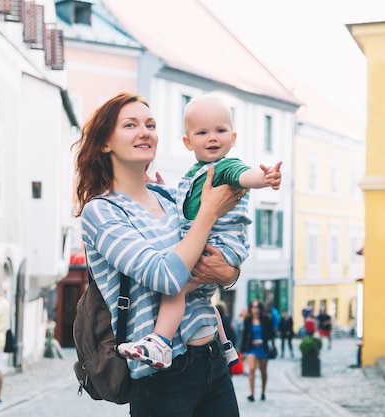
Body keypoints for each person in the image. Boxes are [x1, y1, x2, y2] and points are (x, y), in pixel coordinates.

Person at [74, 92, 242, 416]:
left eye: (150, 124)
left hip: (212, 358)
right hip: (161, 373)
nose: (145, 131)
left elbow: (214, 265)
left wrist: (229, 273)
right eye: (130, 125)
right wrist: (207, 213)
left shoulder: (169, 196)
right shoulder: (101, 212)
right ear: (105, 143)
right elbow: (165, 276)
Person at [118, 93, 282, 369]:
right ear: (188, 141)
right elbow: (187, 203)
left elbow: (244, 176)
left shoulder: (225, 167)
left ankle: (160, 342)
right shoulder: (195, 172)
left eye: (220, 130)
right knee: (203, 296)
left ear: (233, 137)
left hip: (220, 244)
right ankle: (226, 345)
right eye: (202, 132)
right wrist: (162, 187)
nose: (212, 138)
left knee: (177, 286)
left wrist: (264, 178)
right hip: (213, 243)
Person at [240, 299, 275, 402]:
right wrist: (242, 350)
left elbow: (271, 333)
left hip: (263, 347)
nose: (255, 309)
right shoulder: (248, 320)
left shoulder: (266, 319)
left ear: (260, 308)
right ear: (251, 308)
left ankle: (263, 392)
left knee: (263, 371)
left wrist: (262, 340)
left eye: (257, 307)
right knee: (251, 369)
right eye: (253, 307)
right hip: (252, 348)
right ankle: (252, 394)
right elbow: (245, 335)